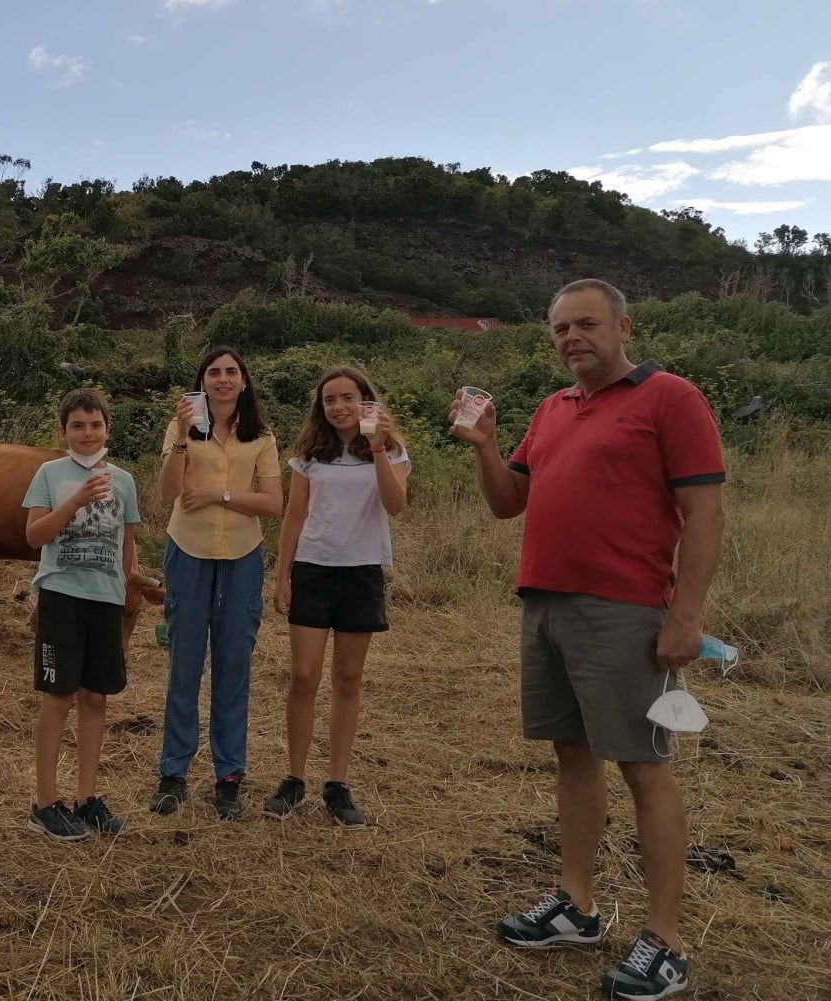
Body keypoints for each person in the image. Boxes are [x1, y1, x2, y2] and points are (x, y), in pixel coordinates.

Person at [453, 279, 725, 1001]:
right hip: (544, 604)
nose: (573, 338)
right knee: (571, 755)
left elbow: (704, 513)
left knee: (643, 765)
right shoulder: (551, 409)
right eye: (561, 329)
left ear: (622, 326)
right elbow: (508, 502)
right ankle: (577, 904)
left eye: (587, 324)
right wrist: (484, 444)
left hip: (625, 611)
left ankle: (665, 941)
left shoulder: (671, 397)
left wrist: (686, 615)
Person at [265, 366, 409, 827]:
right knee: (303, 676)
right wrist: (282, 575)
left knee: (348, 679)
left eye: (348, 398)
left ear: (367, 401)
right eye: (330, 400)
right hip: (313, 568)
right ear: (321, 408)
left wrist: (380, 448)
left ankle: (337, 783)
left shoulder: (391, 450)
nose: (339, 407)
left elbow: (395, 505)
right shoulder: (310, 453)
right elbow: (294, 516)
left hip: (361, 572)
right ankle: (294, 778)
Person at [150, 347, 283, 820]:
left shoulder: (261, 436)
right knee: (184, 664)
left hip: (243, 558)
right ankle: (173, 772)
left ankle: (229, 775)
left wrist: (215, 495)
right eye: (214, 372)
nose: (223, 379)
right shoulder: (180, 428)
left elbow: (272, 503)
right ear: (202, 382)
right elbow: (168, 493)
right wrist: (183, 439)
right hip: (187, 553)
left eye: (231, 372)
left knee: (233, 666)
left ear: (243, 382)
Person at [22, 388, 142, 840]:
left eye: (95, 425)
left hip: (105, 601)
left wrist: (133, 582)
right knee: (60, 697)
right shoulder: (49, 474)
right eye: (78, 426)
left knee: (96, 699)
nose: (87, 434)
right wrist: (75, 501)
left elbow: (127, 546)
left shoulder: (125, 481)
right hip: (61, 596)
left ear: (107, 429)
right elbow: (34, 535)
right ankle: (45, 803)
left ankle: (87, 798)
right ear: (64, 432)